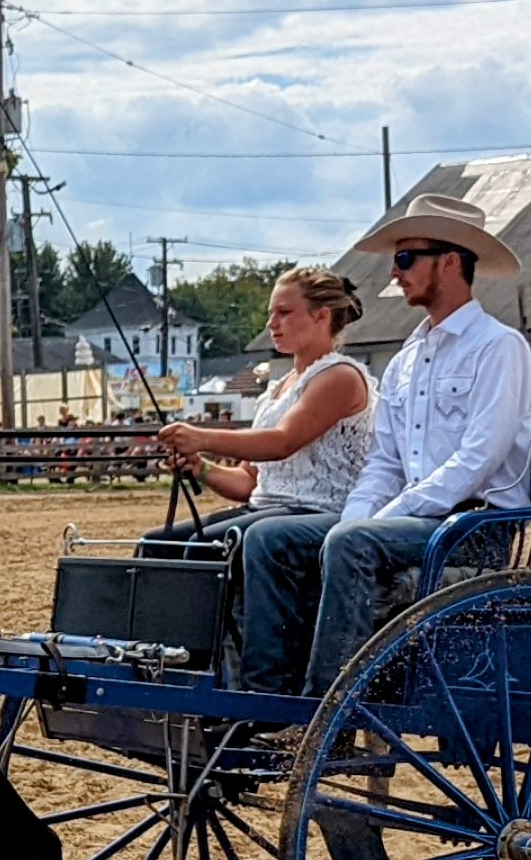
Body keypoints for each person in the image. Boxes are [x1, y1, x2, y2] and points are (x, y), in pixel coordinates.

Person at [241, 194, 531, 700]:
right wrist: (358, 516)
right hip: (413, 523)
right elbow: (385, 462)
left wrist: (374, 523)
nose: (394, 274)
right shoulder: (405, 361)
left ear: (449, 261)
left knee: (351, 544)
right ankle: (264, 699)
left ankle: (324, 707)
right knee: (269, 539)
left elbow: (477, 460)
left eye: (404, 259)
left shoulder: (500, 347)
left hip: (474, 528)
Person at [143, 267, 376, 559]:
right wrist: (200, 467)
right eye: (271, 313)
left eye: (284, 312)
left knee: (203, 550)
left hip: (316, 512)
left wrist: (200, 437)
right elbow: (249, 480)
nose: (271, 323)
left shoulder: (339, 376)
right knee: (155, 544)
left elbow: (281, 442)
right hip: (266, 509)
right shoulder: (278, 388)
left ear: (322, 315)